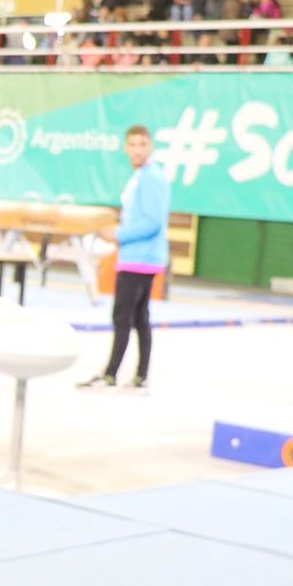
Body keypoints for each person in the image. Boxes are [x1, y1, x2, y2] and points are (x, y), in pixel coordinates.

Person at [79, 125, 170, 391]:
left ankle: (110, 374)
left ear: (150, 146)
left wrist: (118, 233)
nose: (137, 150)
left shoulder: (151, 177)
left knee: (123, 317)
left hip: (139, 258)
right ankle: (139, 375)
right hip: (138, 256)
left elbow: (152, 222)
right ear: (125, 147)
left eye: (142, 144)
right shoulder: (142, 176)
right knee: (140, 317)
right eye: (132, 144)